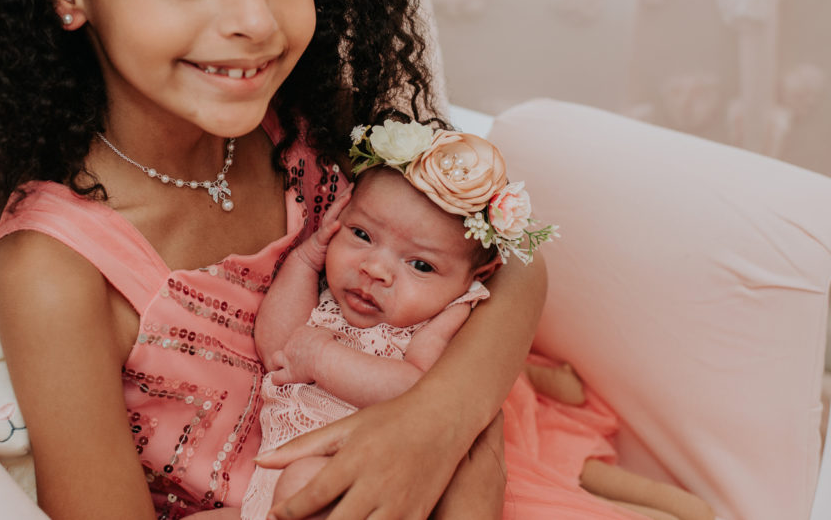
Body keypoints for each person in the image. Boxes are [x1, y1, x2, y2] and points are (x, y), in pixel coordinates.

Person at [0, 0, 546, 519]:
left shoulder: (304, 136)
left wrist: (441, 424)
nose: (254, 20)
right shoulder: (57, 266)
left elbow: (514, 261)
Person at [246, 122, 714, 520]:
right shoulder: (328, 294)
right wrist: (307, 260)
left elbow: (414, 391)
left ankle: (681, 509)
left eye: (421, 266)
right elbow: (276, 346)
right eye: (362, 234)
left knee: (553, 477)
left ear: (474, 280)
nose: (376, 269)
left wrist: (323, 358)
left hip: (372, 478)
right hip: (266, 484)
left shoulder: (437, 323)